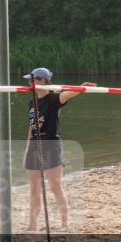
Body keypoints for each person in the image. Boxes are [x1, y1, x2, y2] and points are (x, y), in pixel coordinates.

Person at [22, 67, 95, 232]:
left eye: (33, 80)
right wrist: (26, 149)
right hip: (34, 149)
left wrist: (82, 87)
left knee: (55, 186)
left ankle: (65, 222)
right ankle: (32, 224)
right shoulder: (32, 102)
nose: (30, 83)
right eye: (30, 80)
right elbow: (31, 127)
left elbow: (68, 94)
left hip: (51, 147)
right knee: (34, 190)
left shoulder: (53, 99)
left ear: (43, 81)